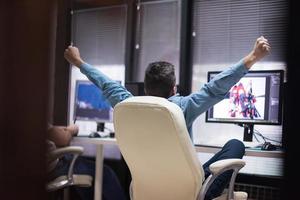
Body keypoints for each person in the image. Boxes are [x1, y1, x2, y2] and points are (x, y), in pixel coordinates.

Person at [64, 36, 270, 199]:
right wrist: (253, 56)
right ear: (174, 88)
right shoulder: (181, 107)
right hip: (188, 190)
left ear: (146, 88)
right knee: (235, 144)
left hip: (147, 188)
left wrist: (78, 62)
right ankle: (206, 194)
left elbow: (106, 83)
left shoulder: (127, 105)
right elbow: (215, 87)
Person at [47, 124, 127, 200]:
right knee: (105, 173)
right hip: (54, 167)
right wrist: (72, 130)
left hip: (45, 166)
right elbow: (62, 138)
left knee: (87, 178)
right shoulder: (38, 114)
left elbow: (52, 131)